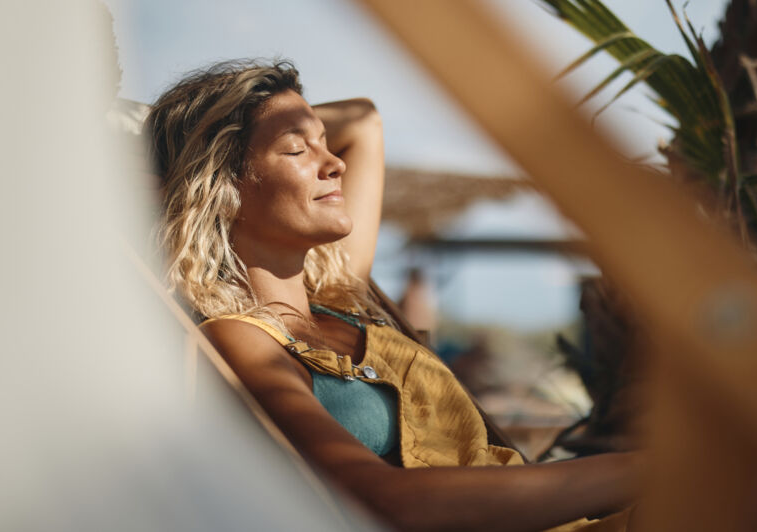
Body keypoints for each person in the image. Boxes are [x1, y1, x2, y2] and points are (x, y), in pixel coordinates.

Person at [146, 59, 637, 532]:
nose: (334, 162)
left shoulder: (340, 298)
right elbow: (392, 504)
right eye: (298, 151)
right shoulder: (240, 339)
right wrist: (645, 470)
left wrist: (283, 125)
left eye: (324, 143)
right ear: (220, 184)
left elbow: (363, 121)